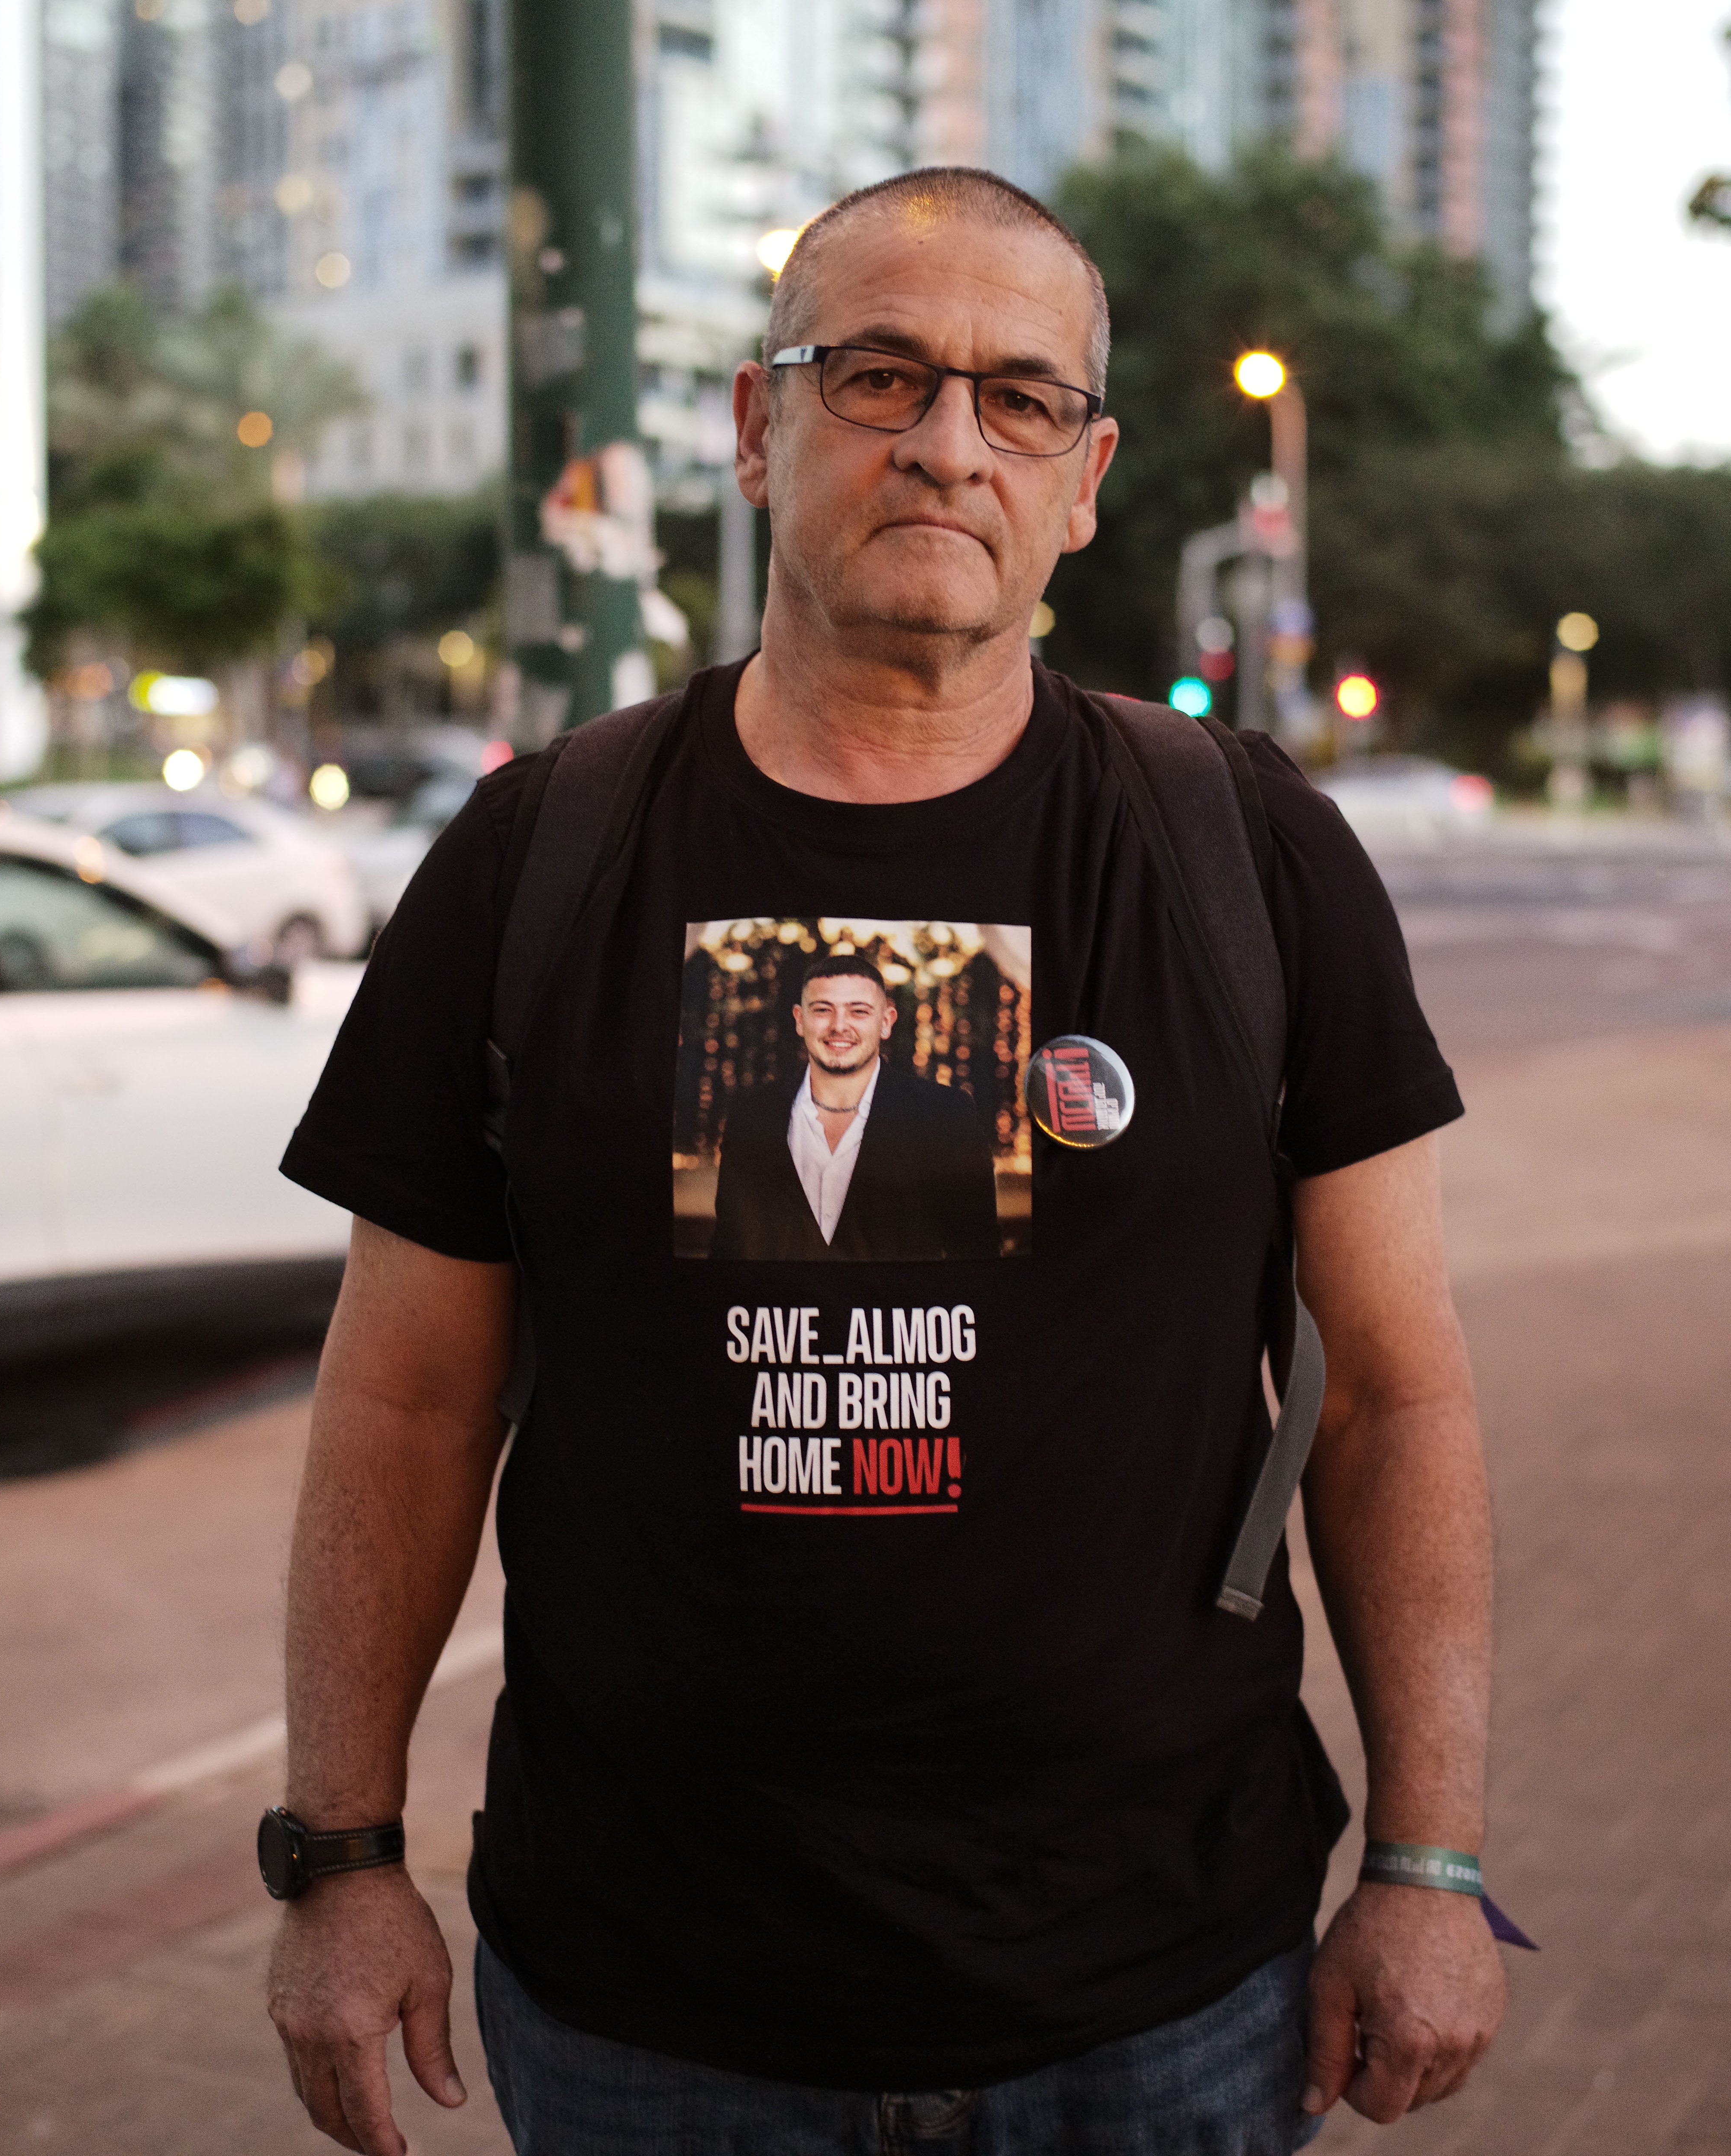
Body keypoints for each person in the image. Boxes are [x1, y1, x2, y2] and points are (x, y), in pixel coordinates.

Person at [268, 162, 1506, 2155]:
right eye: (878, 373)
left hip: (1162, 1992)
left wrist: (1428, 1864)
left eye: (1017, 397)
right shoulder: (539, 858)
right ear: (759, 426)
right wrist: (338, 1850)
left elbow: (1390, 1396)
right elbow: (407, 1401)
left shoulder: (1246, 856)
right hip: (648, 2005)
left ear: (1086, 477)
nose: (946, 442)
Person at [707, 950, 997, 1262]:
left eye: (858, 1011)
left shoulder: (946, 1115)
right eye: (823, 1010)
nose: (839, 1026)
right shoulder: (752, 1115)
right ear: (799, 1020)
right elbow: (730, 1252)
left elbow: (978, 1257)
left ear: (886, 1022)